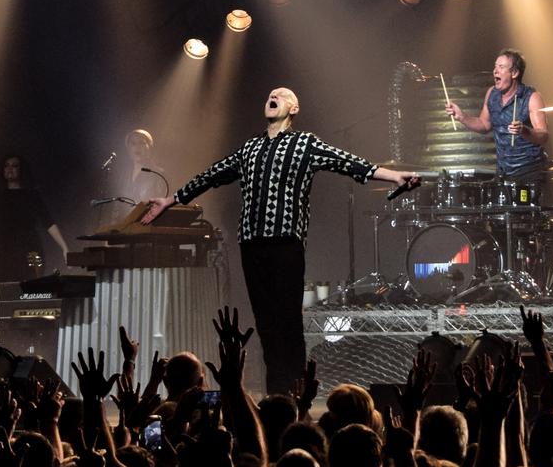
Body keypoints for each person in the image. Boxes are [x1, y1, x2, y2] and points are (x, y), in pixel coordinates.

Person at [140, 87, 421, 395]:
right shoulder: (250, 148)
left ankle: (295, 392)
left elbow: (348, 162)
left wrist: (393, 176)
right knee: (265, 324)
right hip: (251, 244)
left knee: (287, 320)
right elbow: (212, 174)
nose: (272, 96)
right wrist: (172, 199)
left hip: (285, 243)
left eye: (281, 95)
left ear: (294, 108)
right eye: (269, 94)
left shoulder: (305, 144)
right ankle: (277, 393)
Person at [444, 49, 550, 182]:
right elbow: (484, 124)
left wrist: (524, 130)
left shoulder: (531, 97)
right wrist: (462, 116)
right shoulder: (492, 94)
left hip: (529, 172)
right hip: (503, 172)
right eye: (495, 66)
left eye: (501, 67)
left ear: (515, 73)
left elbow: (543, 135)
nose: (495, 71)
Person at [0, 154, 70, 281]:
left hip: (30, 251)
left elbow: (48, 222)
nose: (10, 168)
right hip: (4, 255)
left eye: (14, 166)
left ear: (21, 170)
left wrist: (64, 248)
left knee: (31, 290)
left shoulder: (32, 195)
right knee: (6, 294)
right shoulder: (0, 197)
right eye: (6, 165)